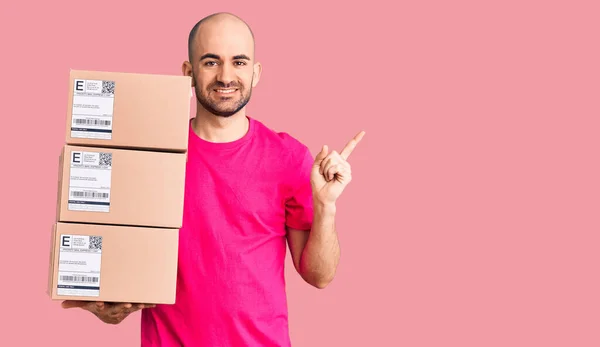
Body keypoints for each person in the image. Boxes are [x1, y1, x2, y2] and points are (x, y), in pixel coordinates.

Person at [61, 12, 365, 346]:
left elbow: (319, 276)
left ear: (256, 72)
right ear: (188, 73)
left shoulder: (289, 157)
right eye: (210, 62)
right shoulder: (149, 154)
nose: (226, 76)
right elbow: (115, 243)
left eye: (238, 62)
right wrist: (108, 301)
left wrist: (326, 207)